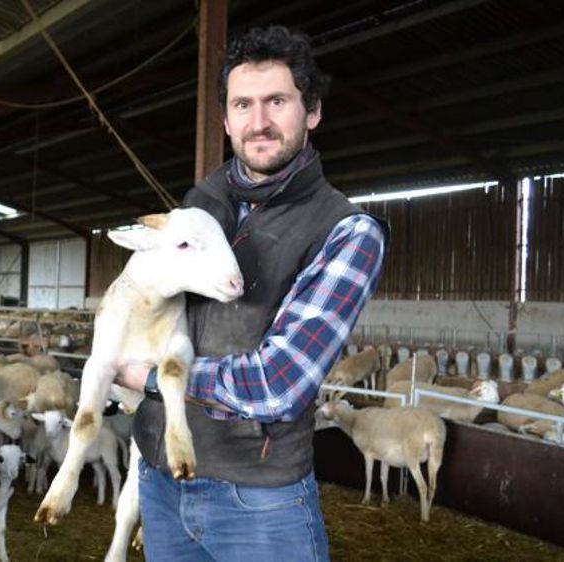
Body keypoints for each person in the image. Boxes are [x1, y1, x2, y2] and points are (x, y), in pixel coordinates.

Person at [115, 25, 387, 561]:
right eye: (243, 104)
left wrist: (140, 376)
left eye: (277, 101)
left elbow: (277, 384)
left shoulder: (346, 231)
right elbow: (139, 303)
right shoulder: (199, 206)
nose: (258, 122)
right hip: (160, 478)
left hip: (258, 500)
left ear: (312, 112)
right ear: (225, 119)